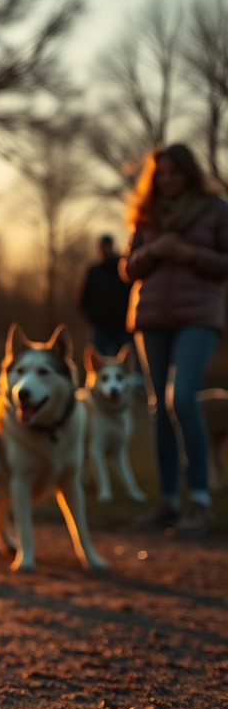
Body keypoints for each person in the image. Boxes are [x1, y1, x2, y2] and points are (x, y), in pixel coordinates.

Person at [121, 143, 228, 538]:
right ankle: (167, 501)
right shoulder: (146, 214)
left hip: (198, 316)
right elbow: (127, 269)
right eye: (160, 173)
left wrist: (191, 254)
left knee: (181, 399)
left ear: (189, 174)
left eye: (174, 173)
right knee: (157, 409)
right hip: (151, 317)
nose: (167, 180)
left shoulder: (216, 210)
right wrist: (152, 251)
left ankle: (199, 501)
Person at [78, 233, 132, 356]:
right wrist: (94, 318)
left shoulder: (122, 270)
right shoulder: (93, 272)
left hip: (122, 327)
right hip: (100, 328)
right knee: (98, 363)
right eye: (102, 246)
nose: (104, 249)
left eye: (107, 246)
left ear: (111, 246)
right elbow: (83, 299)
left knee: (124, 366)